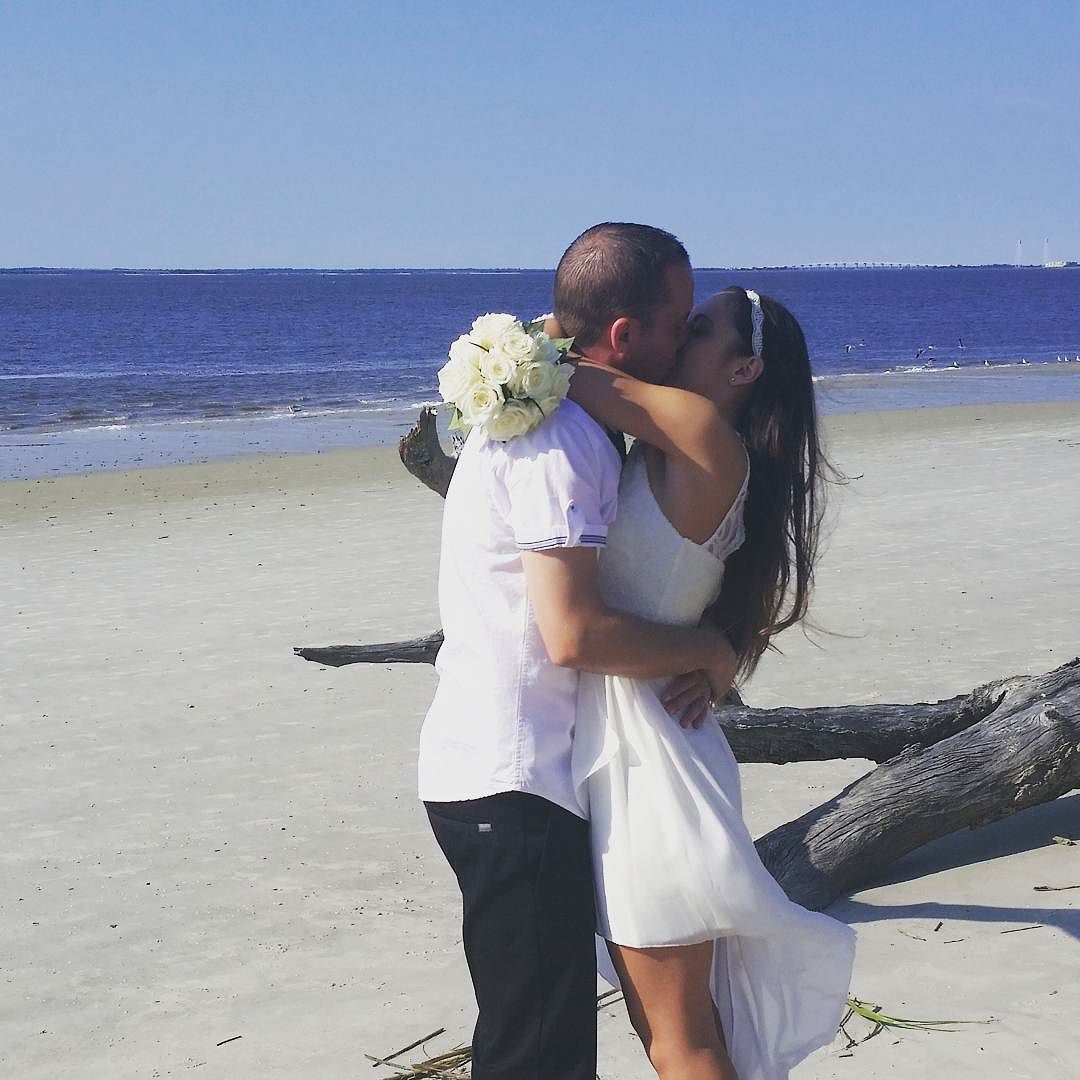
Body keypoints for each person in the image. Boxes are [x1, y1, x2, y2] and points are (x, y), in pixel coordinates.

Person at [417, 223, 737, 1080]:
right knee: (538, 1057)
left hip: (495, 769)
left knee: (534, 1041)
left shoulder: (540, 410)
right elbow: (573, 634)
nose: (685, 336)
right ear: (627, 336)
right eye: (680, 319)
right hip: (513, 778)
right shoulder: (561, 441)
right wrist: (706, 645)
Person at [565, 287, 857, 1080]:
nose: (676, 341)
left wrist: (522, 342)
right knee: (671, 1026)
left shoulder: (696, 432)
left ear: (744, 369)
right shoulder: (687, 448)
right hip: (642, 743)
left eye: (695, 330)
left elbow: (580, 376)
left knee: (678, 1034)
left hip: (650, 764)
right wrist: (712, 647)